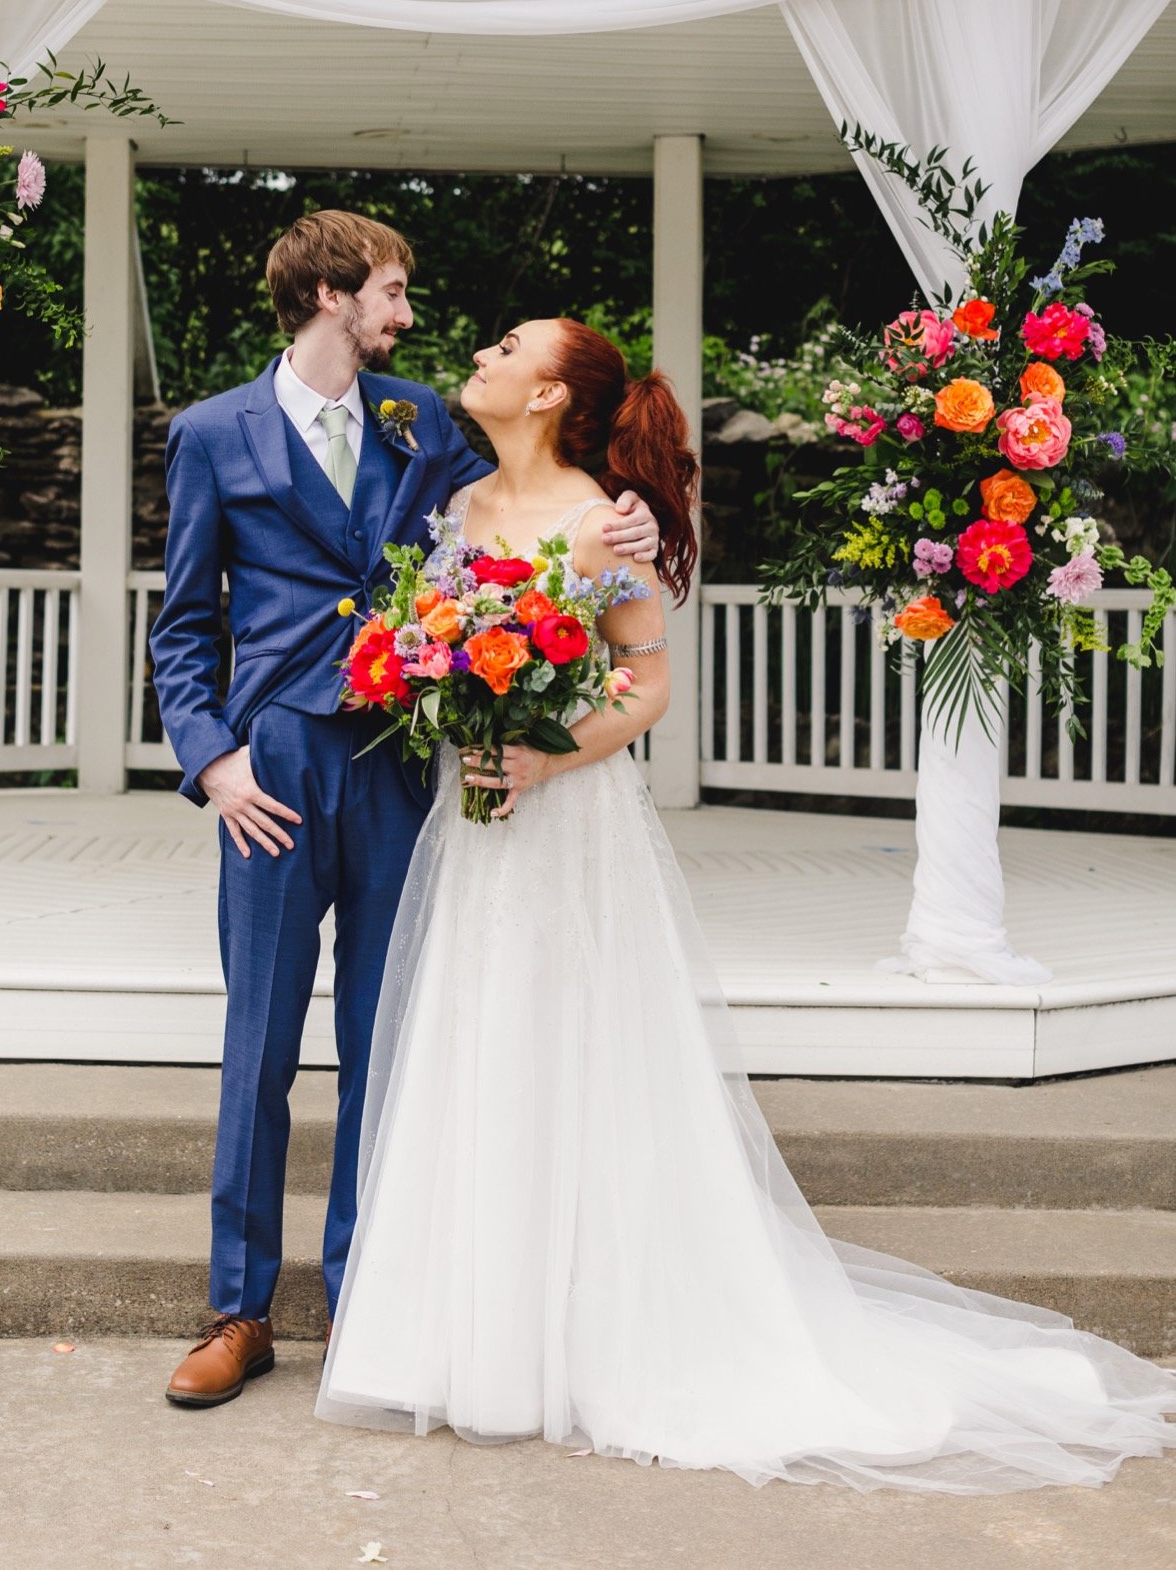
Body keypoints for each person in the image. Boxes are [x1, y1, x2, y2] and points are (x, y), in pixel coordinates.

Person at [317, 316, 1176, 1492]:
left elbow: (651, 686)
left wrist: (541, 757)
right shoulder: (453, 508)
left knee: (580, 1060)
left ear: (553, 392)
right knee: (482, 1051)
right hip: (477, 839)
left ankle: (592, 1338)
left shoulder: (599, 526)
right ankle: (477, 1347)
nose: (481, 355)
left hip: (567, 828)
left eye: (507, 348)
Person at [151, 216, 660, 1409]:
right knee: (260, 1044)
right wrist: (212, 760)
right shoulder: (210, 432)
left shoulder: (422, 416)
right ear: (332, 296)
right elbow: (182, 623)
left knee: (388, 1047)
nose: (409, 315)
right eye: (389, 292)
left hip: (399, 762)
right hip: (269, 769)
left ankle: (368, 1299)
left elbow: (527, 506)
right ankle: (239, 1310)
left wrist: (631, 523)